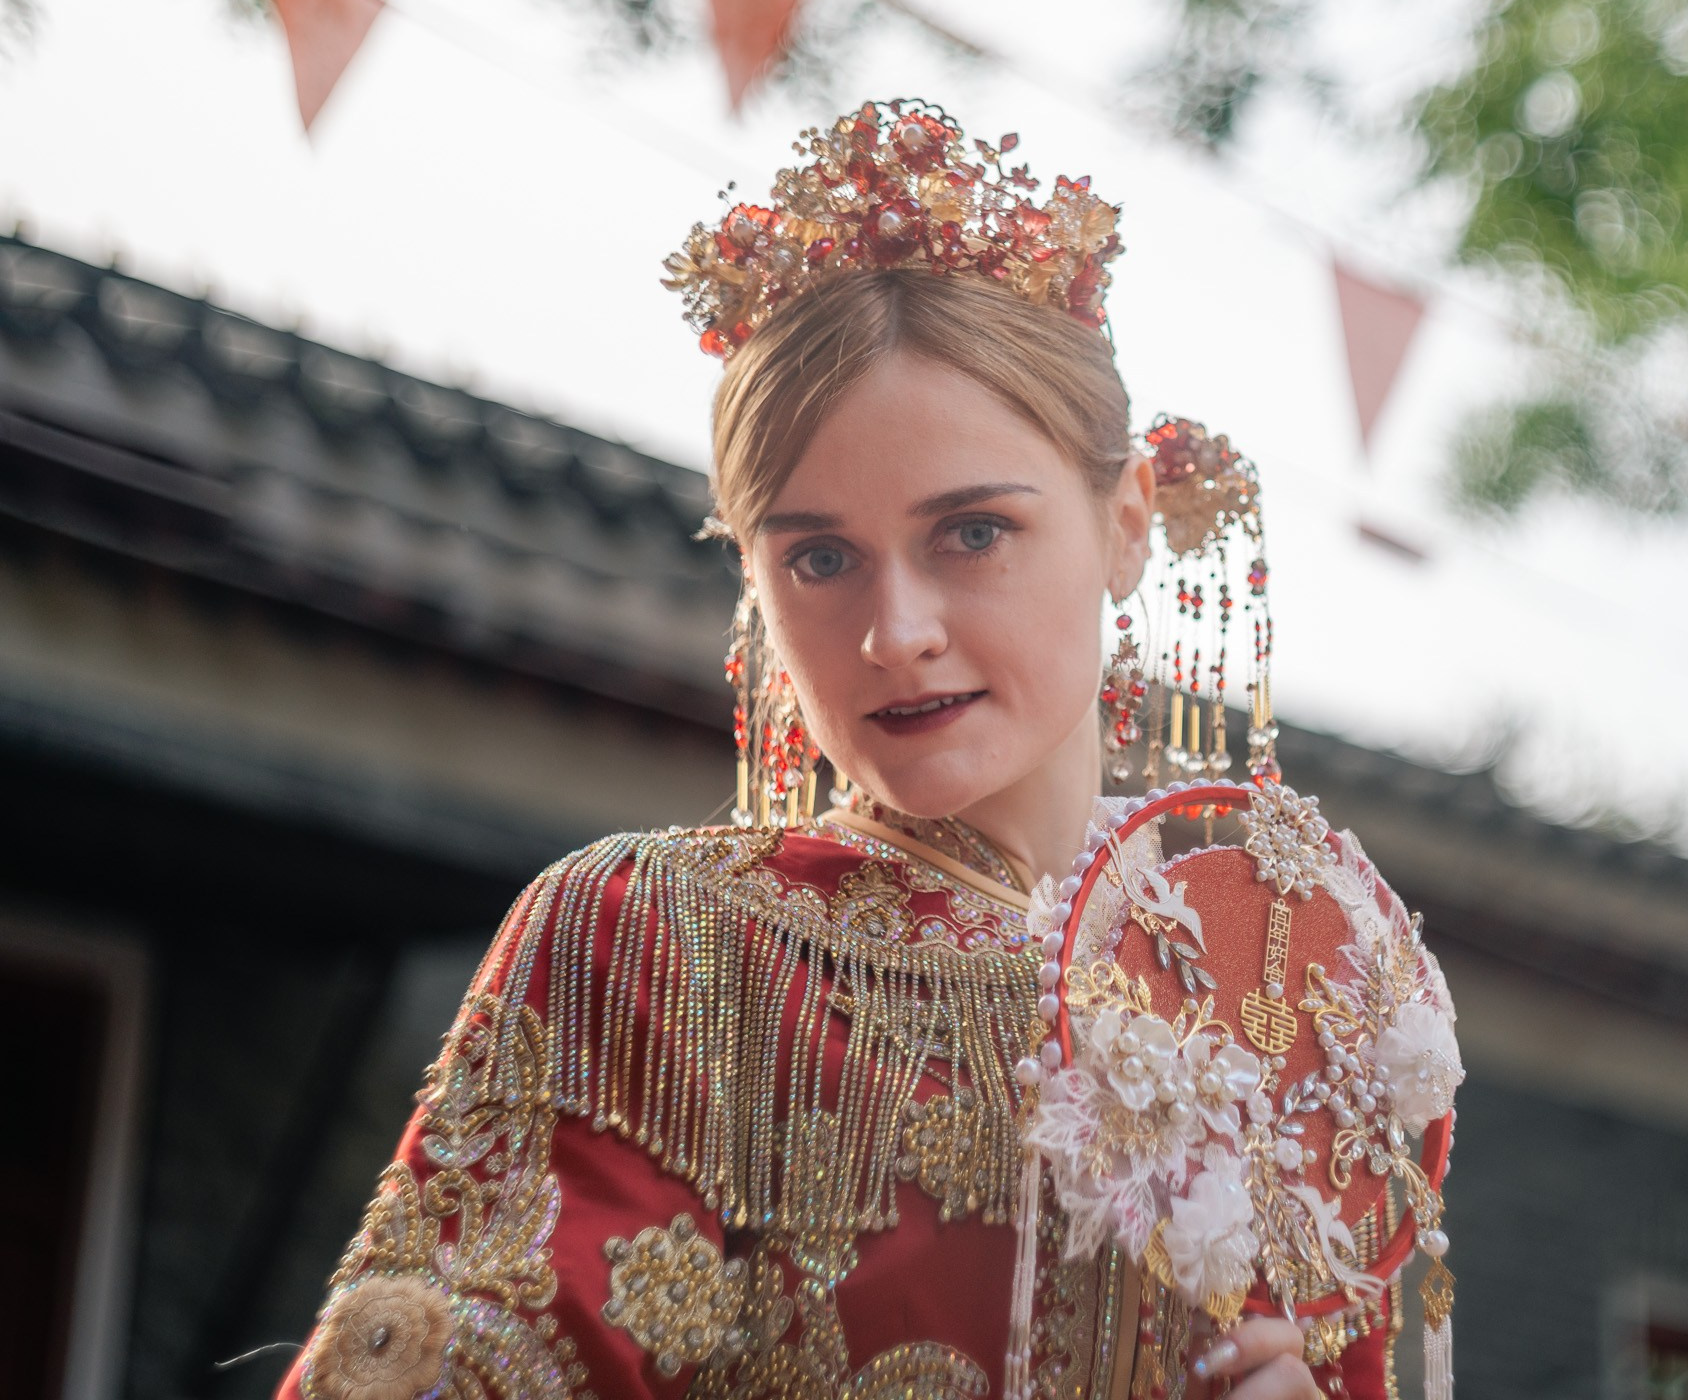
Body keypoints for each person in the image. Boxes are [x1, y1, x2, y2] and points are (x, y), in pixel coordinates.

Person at [279, 102, 1400, 1400]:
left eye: (972, 533)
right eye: (819, 558)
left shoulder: (1301, 999)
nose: (894, 633)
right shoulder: (661, 940)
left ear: (1128, 523)